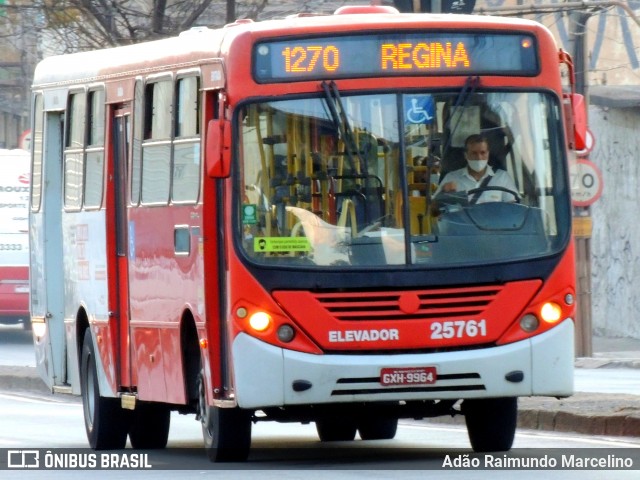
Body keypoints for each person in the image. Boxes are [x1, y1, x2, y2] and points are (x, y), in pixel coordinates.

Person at [433, 133, 517, 205]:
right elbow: (434, 211)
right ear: (466, 155)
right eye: (474, 153)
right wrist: (443, 193)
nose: (479, 157)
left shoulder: (502, 177)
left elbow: (513, 209)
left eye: (483, 153)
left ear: (488, 154)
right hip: (461, 224)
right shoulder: (451, 178)